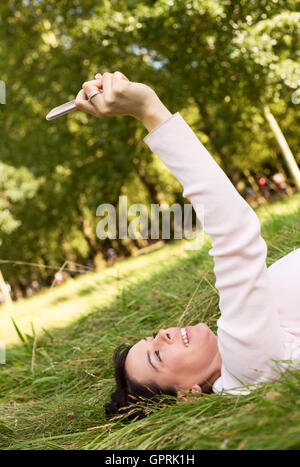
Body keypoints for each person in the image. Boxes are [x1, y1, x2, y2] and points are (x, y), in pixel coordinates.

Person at [75, 71, 300, 420]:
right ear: (188, 396)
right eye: (157, 356)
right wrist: (150, 110)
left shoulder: (240, 349)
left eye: (152, 337)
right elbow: (235, 233)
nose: (163, 333)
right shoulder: (247, 369)